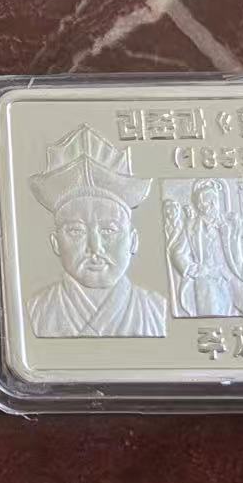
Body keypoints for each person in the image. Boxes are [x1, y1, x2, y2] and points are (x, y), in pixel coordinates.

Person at [25, 125, 166, 337]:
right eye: (76, 231)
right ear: (56, 243)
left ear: (133, 240)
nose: (95, 247)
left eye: (108, 230)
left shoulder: (154, 310)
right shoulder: (37, 311)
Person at [167, 178, 243, 316]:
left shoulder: (228, 223)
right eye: (209, 201)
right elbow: (177, 253)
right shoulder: (191, 228)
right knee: (212, 315)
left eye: (215, 201)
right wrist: (196, 269)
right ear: (200, 205)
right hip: (207, 279)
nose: (214, 205)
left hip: (231, 275)